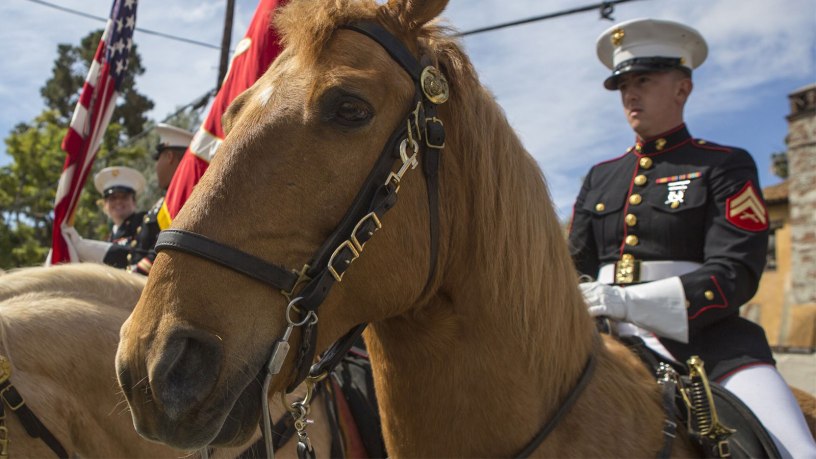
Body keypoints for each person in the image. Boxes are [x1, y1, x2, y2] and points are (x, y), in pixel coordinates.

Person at [568, 18, 816, 457]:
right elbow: (573, 264)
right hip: (596, 335)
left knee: (795, 450)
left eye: (644, 80)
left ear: (682, 88)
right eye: (623, 85)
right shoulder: (601, 177)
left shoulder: (723, 165)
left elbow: (734, 273)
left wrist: (628, 302)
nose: (630, 94)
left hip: (706, 345)